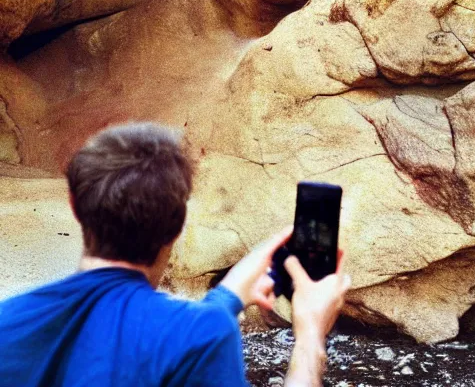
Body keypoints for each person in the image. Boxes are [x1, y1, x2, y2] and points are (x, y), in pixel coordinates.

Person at [0, 122, 351, 387]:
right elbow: (173, 338)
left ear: (74, 206)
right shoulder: (202, 336)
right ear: (178, 224)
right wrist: (310, 338)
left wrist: (226, 299)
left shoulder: (8, 321)